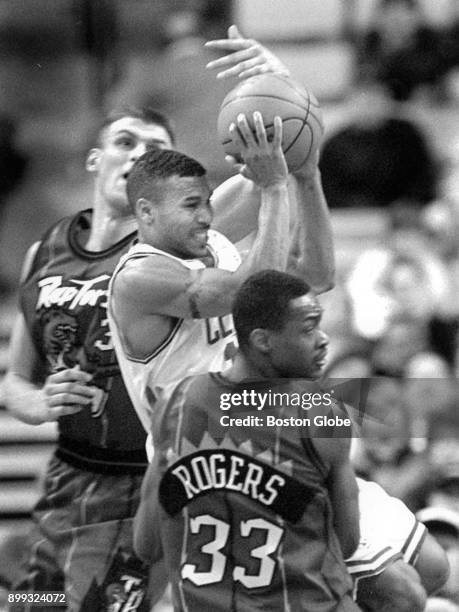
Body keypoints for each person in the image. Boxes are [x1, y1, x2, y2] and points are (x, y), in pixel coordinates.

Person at [3, 27, 333, 611]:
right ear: (96, 158)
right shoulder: (46, 250)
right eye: (126, 141)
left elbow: (280, 168)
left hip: (179, 455)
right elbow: (16, 378)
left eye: (152, 146)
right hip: (84, 464)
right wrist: (34, 401)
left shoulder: (189, 237)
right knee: (39, 603)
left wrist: (280, 90)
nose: (137, 154)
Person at [134, 270, 361, 611]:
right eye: (309, 327)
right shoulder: (318, 410)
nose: (323, 339)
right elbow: (347, 543)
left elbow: (146, 544)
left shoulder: (175, 402)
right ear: (262, 340)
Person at [108, 118, 294, 433]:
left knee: (371, 413)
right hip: (194, 450)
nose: (206, 215)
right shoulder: (139, 277)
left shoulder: (206, 242)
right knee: (361, 414)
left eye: (207, 202)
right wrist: (274, 187)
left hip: (248, 419)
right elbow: (255, 292)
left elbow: (256, 194)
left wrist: (277, 155)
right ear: (147, 212)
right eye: (192, 205)